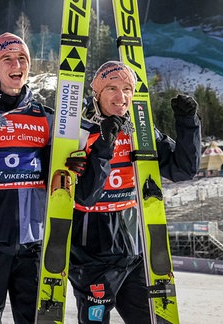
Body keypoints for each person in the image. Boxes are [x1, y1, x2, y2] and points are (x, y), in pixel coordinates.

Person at [0, 32, 85, 324]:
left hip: (34, 247)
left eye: (22, 58)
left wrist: (70, 166)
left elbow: (58, 176)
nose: (16, 64)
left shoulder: (47, 118)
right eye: (8, 59)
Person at [68, 60, 202, 324]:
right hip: (91, 256)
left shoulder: (140, 134)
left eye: (127, 88)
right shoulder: (78, 133)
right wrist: (104, 146)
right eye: (112, 89)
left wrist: (189, 123)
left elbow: (183, 169)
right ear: (97, 94)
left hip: (133, 253)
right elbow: (85, 195)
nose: (121, 97)